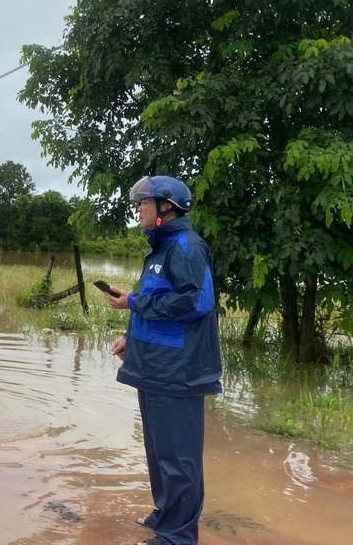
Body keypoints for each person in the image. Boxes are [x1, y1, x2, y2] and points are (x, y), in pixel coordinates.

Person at [102, 176, 221, 545]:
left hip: (178, 372)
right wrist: (131, 338)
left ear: (165, 208)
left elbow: (195, 302)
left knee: (178, 456)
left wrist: (134, 302)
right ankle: (166, 516)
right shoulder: (160, 250)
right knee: (159, 452)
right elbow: (160, 304)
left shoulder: (186, 246)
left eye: (144, 203)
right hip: (154, 367)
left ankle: (178, 537)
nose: (138, 208)